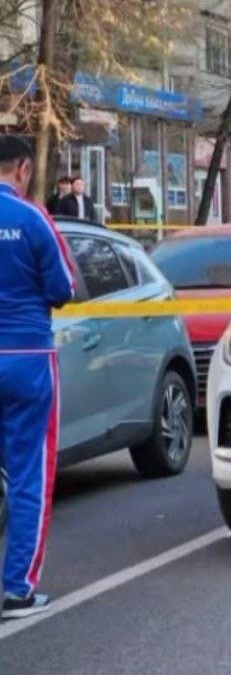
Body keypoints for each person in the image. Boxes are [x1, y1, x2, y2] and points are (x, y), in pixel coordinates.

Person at [0, 136, 75, 619]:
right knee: (29, 473)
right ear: (23, 169)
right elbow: (64, 288)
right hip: (27, 356)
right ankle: (17, 590)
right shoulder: (33, 218)